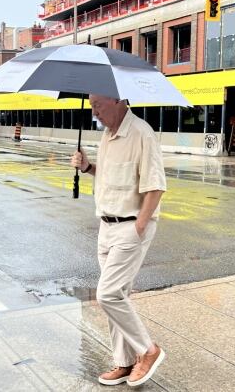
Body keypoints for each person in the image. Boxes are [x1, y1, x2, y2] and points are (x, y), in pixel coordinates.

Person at [71, 94, 166, 387]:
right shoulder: (107, 136)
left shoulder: (141, 133)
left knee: (108, 294)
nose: (93, 111)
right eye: (91, 105)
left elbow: (156, 185)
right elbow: (109, 177)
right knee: (117, 297)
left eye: (97, 105)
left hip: (130, 226)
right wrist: (87, 167)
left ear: (117, 100)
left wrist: (139, 227)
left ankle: (148, 351)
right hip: (106, 226)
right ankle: (123, 363)